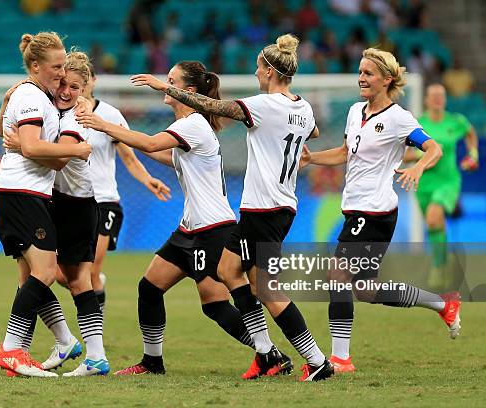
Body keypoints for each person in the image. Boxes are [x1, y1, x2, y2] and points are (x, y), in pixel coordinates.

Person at [129, 34, 334, 382]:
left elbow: (215, 108)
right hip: (281, 205)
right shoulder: (302, 108)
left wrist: (162, 86)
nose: (255, 73)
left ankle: (313, 360)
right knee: (231, 271)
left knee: (264, 289)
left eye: (258, 68)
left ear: (270, 71)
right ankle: (268, 353)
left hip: (263, 206)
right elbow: (311, 133)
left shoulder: (265, 105)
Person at [76, 61, 260, 376]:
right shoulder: (188, 129)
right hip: (190, 229)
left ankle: (269, 353)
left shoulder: (194, 124)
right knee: (150, 287)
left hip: (212, 228)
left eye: (170, 80)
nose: (164, 84)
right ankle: (152, 363)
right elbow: (159, 151)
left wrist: (104, 125)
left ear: (187, 91)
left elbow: (150, 143)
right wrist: (121, 136)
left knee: (216, 304)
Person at [299, 48, 461, 374]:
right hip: (355, 209)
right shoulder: (355, 111)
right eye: (360, 72)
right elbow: (346, 152)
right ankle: (443, 304)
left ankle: (341, 360)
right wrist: (313, 157)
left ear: (387, 80)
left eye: (369, 73)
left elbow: (434, 149)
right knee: (367, 290)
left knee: (338, 275)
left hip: (374, 212)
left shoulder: (399, 118)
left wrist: (417, 169)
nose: (362, 78)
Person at [0, 32, 91, 378]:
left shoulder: (30, 95)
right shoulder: (32, 96)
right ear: (36, 66)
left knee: (30, 276)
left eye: (64, 66)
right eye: (57, 67)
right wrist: (75, 149)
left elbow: (16, 139)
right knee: (47, 273)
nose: (62, 74)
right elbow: (33, 148)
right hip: (23, 195)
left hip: (23, 193)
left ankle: (63, 341)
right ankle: (11, 349)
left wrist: (34, 146)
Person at [61, 63, 170, 314]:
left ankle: (94, 331)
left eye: (85, 79)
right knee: (61, 274)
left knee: (90, 271)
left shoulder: (109, 114)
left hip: (104, 202)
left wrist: (147, 179)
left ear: (93, 80)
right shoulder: (62, 113)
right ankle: (96, 292)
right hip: (73, 201)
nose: (81, 85)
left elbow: (129, 156)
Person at [404, 83, 479, 289]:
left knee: (434, 215)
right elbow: (404, 154)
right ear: (426, 100)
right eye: (433, 95)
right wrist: (421, 154)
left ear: (445, 99)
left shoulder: (456, 121)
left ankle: (437, 268)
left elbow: (470, 133)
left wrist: (473, 155)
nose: (438, 99)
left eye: (441, 95)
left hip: (448, 181)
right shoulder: (416, 124)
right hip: (424, 182)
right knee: (434, 224)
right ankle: (443, 261)